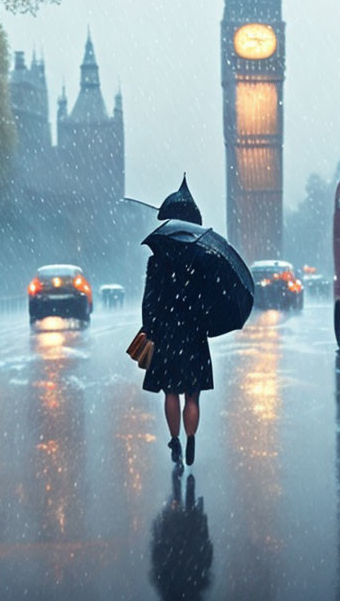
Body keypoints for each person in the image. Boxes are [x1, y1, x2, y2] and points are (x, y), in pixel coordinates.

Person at [143, 174, 211, 466]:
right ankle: (192, 435)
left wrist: (150, 328)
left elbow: (150, 299)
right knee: (192, 395)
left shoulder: (158, 258)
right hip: (194, 333)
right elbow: (210, 297)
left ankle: (175, 440)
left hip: (167, 332)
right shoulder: (203, 255)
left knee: (170, 390)